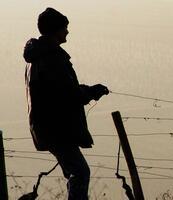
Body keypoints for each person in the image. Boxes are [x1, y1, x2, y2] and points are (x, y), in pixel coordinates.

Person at [23, 7, 109, 200]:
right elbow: (67, 93)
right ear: (56, 30)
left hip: (47, 127)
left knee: (73, 171)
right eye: (65, 28)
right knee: (80, 172)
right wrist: (92, 91)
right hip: (57, 128)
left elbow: (61, 88)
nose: (67, 32)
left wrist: (87, 90)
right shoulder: (51, 57)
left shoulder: (37, 56)